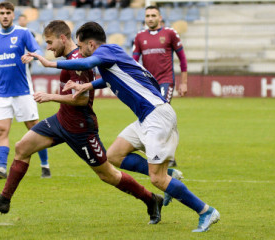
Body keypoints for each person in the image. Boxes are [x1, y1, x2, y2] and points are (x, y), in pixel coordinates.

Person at [30, 21, 220, 232]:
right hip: (145, 117)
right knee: (114, 156)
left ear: (91, 44)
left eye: (81, 46)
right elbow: (109, 78)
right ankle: (171, 176)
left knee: (157, 178)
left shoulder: (106, 50)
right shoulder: (110, 57)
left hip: (156, 116)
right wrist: (87, 85)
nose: (80, 52)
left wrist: (49, 64)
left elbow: (85, 65)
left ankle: (206, 211)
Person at [0, 20, 164, 225]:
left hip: (81, 129)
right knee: (22, 148)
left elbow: (81, 99)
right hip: (61, 120)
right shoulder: (70, 58)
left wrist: (50, 97)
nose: (48, 47)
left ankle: (151, 199)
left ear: (62, 38)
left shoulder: (79, 60)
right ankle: (4, 199)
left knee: (107, 174)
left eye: (49, 42)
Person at [0, 1, 51, 180]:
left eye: (8, 13)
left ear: (13, 15)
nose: (4, 16)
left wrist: (31, 55)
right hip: (1, 92)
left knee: (34, 129)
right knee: (1, 130)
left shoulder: (23, 33)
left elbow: (37, 49)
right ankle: (1, 169)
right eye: (1, 13)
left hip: (23, 91)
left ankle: (45, 165)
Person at [133, 6, 189, 167]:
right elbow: (133, 62)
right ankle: (159, 151)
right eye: (147, 16)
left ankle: (166, 155)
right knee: (150, 117)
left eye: (153, 15)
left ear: (160, 17)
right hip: (148, 84)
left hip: (165, 81)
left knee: (160, 115)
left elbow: (183, 59)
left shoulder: (170, 34)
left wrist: (184, 82)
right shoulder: (139, 37)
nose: (150, 18)